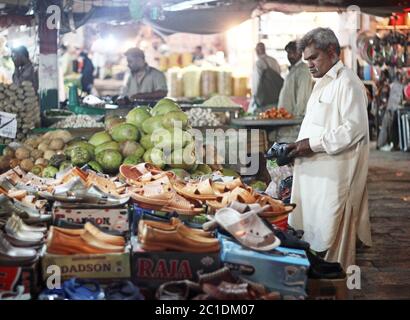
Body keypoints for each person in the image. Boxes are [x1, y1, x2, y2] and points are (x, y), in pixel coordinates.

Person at [287, 28, 372, 270]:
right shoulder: (322, 82)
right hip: (316, 175)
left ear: (332, 52)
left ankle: (338, 286)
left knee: (336, 239)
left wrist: (310, 144)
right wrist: (298, 147)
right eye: (306, 61)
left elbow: (353, 130)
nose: (310, 65)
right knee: (314, 231)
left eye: (314, 58)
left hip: (336, 177)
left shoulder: (348, 83)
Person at [276, 41, 313, 142]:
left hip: (294, 126)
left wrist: (297, 119)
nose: (290, 55)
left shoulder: (303, 71)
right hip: (286, 122)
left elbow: (302, 98)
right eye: (288, 53)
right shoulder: (293, 69)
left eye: (293, 52)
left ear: (300, 53)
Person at [249, 42, 283, 112]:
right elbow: (279, 75)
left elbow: (256, 82)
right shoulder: (274, 60)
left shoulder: (258, 63)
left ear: (257, 51)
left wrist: (255, 95)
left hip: (265, 97)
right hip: (276, 95)